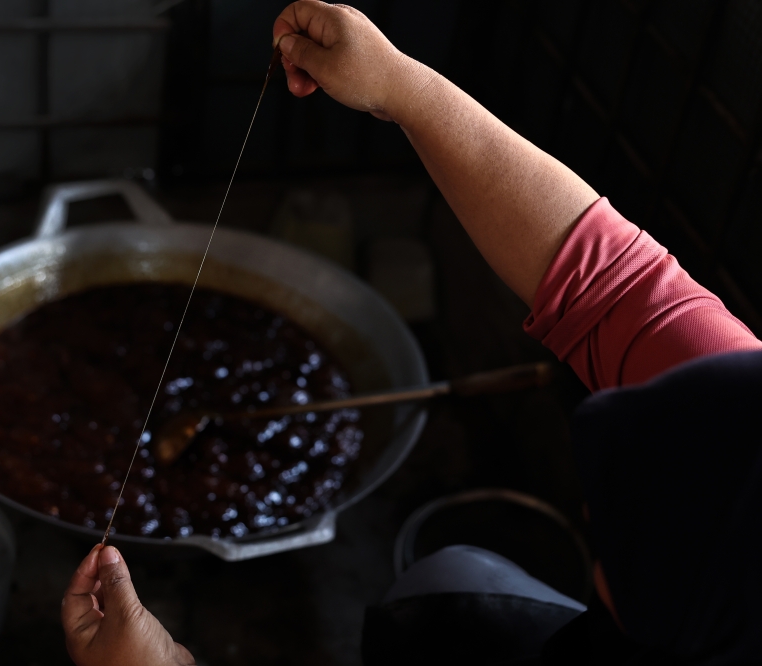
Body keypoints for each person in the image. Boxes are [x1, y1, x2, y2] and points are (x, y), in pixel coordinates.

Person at [61, 3, 762, 664]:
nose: (590, 501)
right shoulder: (739, 409)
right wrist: (400, 85)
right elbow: (611, 282)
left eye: (626, 521)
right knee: (447, 586)